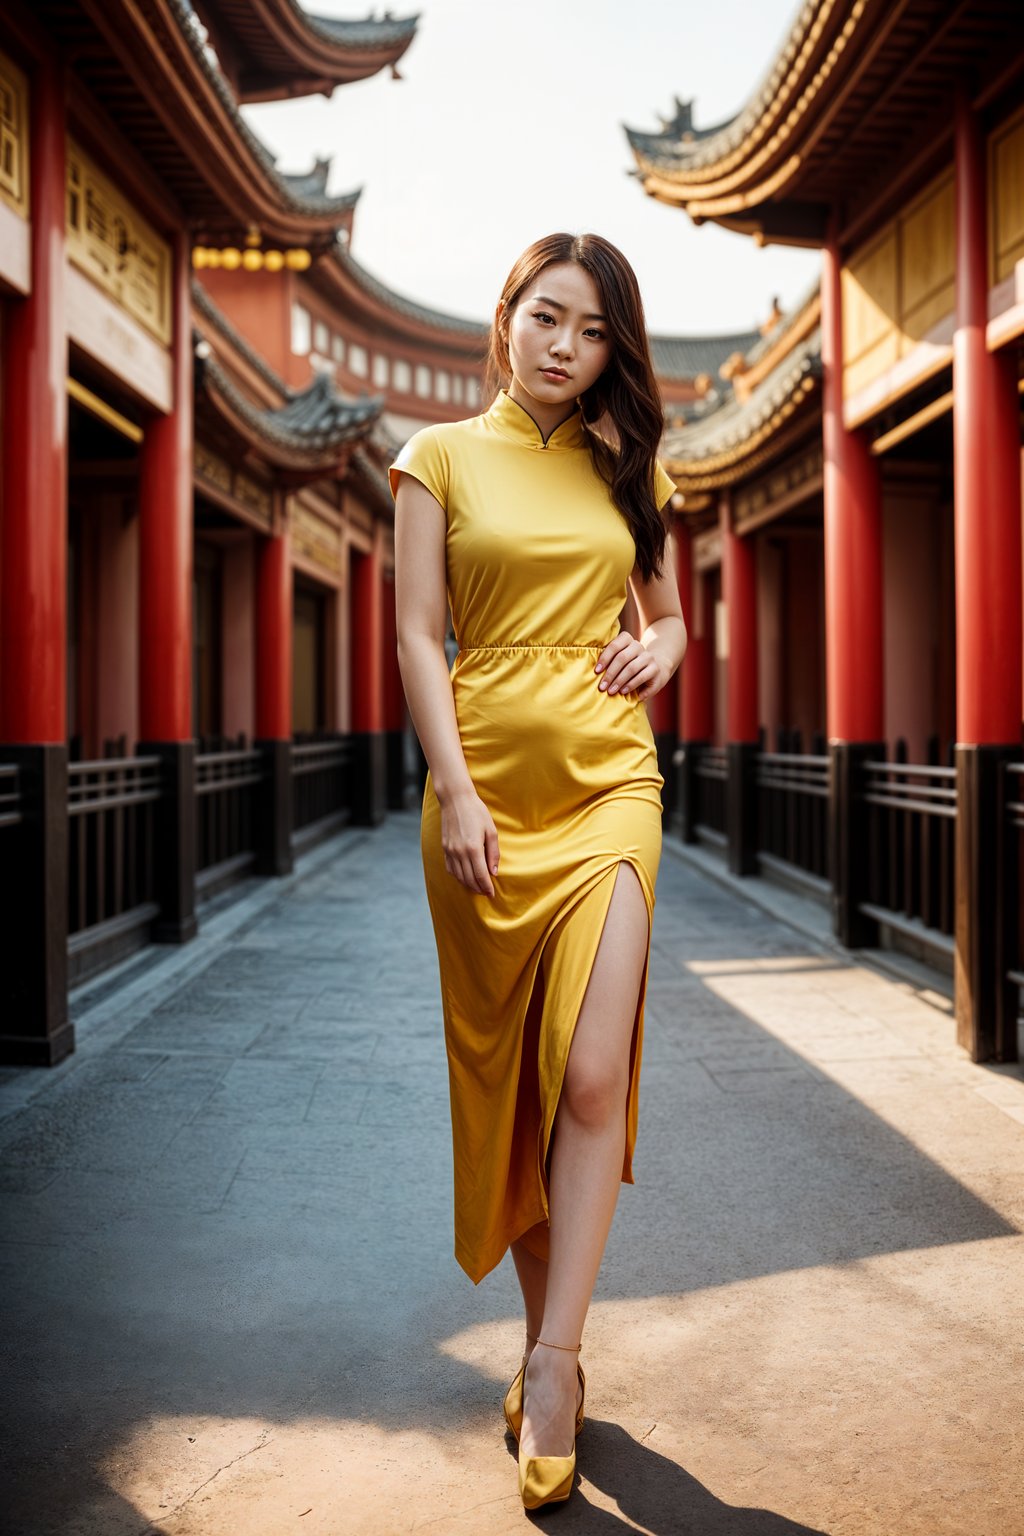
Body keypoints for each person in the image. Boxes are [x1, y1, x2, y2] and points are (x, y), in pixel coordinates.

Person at [389, 231, 686, 1511]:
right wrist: (454, 789)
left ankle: (555, 1364)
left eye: (594, 330)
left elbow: (662, 608)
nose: (567, 346)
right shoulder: (437, 458)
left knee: (595, 1066)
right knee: (514, 1079)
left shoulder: (629, 466)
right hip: (486, 806)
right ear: (507, 317)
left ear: (614, 348)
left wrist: (665, 644)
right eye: (547, 317)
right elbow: (414, 632)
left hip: (613, 785)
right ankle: (538, 1337)